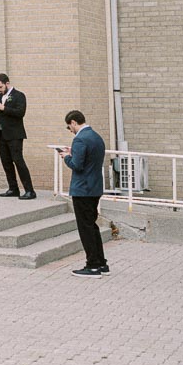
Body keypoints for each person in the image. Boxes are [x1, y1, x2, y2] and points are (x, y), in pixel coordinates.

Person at [61, 110, 109, 276]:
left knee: (85, 228)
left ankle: (93, 265)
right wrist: (73, 152)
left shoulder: (80, 139)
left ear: (74, 122)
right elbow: (88, 159)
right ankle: (101, 263)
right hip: (95, 187)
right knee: (92, 226)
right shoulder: (95, 136)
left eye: (69, 127)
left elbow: (77, 165)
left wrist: (66, 156)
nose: (70, 130)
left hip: (82, 189)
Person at [0, 73, 35, 199]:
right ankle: (13, 188)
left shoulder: (19, 96)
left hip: (14, 135)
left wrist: (3, 107)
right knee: (6, 162)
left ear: (7, 83)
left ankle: (30, 190)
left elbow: (20, 113)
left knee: (18, 161)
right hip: (1, 134)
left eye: (0, 87)